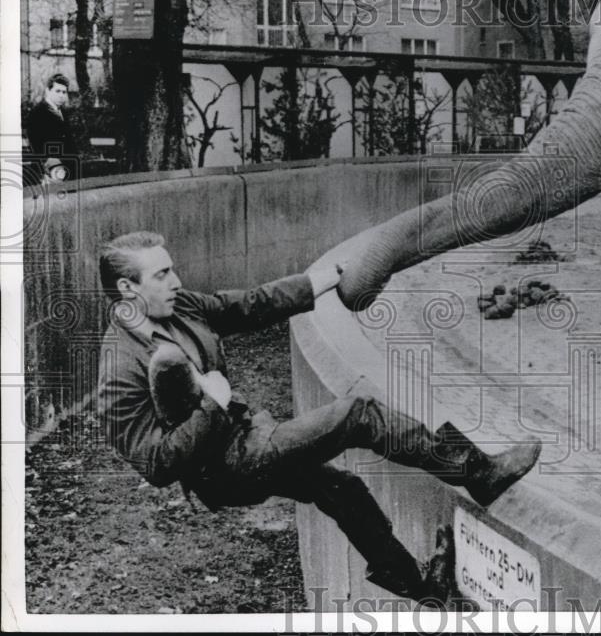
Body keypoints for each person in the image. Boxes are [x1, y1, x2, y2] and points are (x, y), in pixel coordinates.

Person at [96, 231, 541, 603]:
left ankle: (425, 590)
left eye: (172, 268)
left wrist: (330, 277)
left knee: (342, 489)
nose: (176, 280)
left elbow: (250, 304)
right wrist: (213, 404)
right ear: (127, 289)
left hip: (250, 436)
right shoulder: (119, 369)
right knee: (359, 415)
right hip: (225, 469)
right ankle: (477, 472)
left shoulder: (180, 306)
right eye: (162, 274)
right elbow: (155, 465)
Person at [25, 73, 81, 183]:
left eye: (64, 92)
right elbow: (36, 143)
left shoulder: (63, 112)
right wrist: (48, 165)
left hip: (68, 166)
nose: (61, 95)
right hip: (51, 169)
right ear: (48, 91)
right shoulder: (38, 113)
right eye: (57, 91)